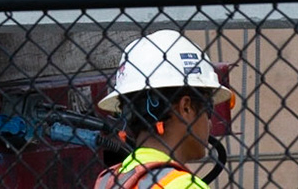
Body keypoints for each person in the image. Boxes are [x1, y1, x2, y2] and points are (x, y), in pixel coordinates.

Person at [93, 29, 235, 189]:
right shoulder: (185, 186)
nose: (209, 123)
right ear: (186, 107)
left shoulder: (109, 181)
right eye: (208, 109)